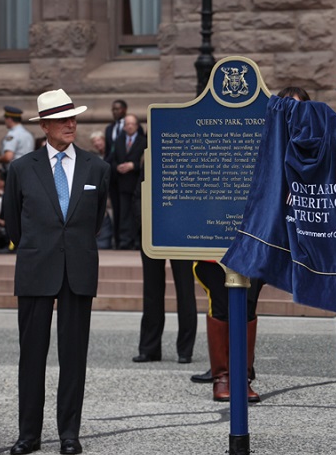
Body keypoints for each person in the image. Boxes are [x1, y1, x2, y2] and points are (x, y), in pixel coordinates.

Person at [3, 89, 110, 455]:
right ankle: (28, 434)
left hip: (78, 269)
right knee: (31, 354)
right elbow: (15, 226)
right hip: (35, 269)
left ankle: (69, 433)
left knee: (73, 355)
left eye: (73, 117)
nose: (71, 124)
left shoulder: (97, 168)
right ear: (44, 125)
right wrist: (40, 248)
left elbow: (94, 221)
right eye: (62, 119)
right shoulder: (20, 169)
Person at [190, 85, 310, 385]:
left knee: (247, 302)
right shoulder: (255, 135)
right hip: (217, 240)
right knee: (219, 302)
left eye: (299, 109)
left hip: (261, 240)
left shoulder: (307, 148)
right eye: (287, 107)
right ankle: (222, 373)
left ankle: (241, 373)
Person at [132, 168, 198, 364]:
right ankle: (149, 349)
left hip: (182, 234)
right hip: (152, 234)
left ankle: (185, 351)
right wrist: (144, 224)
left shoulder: (189, 166)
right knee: (152, 292)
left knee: (185, 292)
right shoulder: (150, 164)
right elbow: (138, 197)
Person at [193, 261, 263, 403]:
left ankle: (242, 378)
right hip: (213, 254)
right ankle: (221, 377)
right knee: (220, 309)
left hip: (252, 251)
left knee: (247, 310)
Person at [109, 113, 146, 250]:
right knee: (123, 214)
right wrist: (117, 167)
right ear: (124, 127)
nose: (130, 126)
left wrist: (133, 165)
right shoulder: (118, 141)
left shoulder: (144, 141)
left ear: (137, 126)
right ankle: (124, 241)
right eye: (127, 124)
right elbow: (111, 159)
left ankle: (137, 241)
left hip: (138, 183)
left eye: (132, 124)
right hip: (122, 183)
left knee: (137, 213)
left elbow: (146, 162)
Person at [104, 99, 128, 248]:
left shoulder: (131, 126)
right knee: (116, 207)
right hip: (113, 172)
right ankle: (117, 239)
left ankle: (126, 239)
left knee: (126, 209)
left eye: (118, 109)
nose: (115, 112)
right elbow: (108, 151)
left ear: (124, 110)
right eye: (113, 109)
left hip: (127, 175)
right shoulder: (109, 128)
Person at [91, 131, 113, 250]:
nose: (97, 144)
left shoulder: (111, 154)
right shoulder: (94, 157)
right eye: (94, 142)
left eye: (99, 140)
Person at [0, 106, 35, 175]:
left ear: (9, 119)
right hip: (27, 171)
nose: (5, 121)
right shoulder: (28, 134)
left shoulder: (12, 135)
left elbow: (8, 157)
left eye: (5, 118)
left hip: (14, 172)